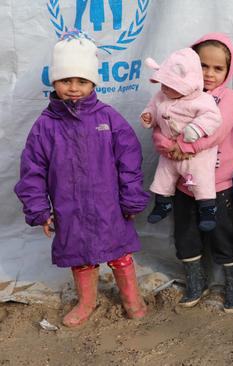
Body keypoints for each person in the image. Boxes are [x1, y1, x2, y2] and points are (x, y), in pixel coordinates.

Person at [14, 30, 149, 327]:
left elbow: (129, 159)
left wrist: (132, 197)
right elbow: (32, 169)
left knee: (119, 253)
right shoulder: (45, 126)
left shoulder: (108, 118)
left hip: (109, 207)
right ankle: (87, 302)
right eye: (65, 80)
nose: (73, 88)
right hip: (69, 208)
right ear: (54, 81)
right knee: (80, 256)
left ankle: (131, 298)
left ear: (93, 82)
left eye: (82, 81)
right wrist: (39, 210)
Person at [150, 34, 233, 311]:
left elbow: (217, 132)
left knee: (222, 235)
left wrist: (184, 147)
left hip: (218, 183)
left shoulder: (229, 97)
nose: (210, 74)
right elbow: (158, 125)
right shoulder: (172, 93)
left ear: (228, 72)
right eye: (204, 66)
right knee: (186, 235)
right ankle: (195, 281)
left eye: (218, 68)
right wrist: (164, 143)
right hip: (183, 184)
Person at [141, 47, 222, 233]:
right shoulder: (161, 96)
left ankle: (208, 210)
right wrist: (149, 116)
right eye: (163, 84)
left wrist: (195, 128)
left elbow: (213, 118)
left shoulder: (202, 100)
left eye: (170, 86)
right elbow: (152, 107)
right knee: (163, 176)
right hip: (169, 150)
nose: (164, 89)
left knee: (202, 180)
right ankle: (162, 204)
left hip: (196, 155)